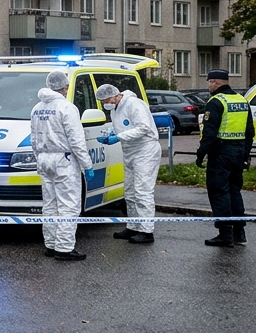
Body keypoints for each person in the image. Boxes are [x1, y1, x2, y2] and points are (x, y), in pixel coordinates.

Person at [30, 70, 94, 261]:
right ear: (65, 87)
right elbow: (76, 140)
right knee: (68, 205)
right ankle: (64, 248)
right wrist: (86, 165)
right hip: (63, 161)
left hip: (44, 158)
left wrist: (38, 159)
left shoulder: (37, 108)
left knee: (50, 205)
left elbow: (34, 138)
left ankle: (50, 245)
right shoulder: (67, 108)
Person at [195, 68, 255, 247]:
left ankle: (225, 234)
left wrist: (201, 155)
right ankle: (239, 232)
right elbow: (250, 131)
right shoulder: (241, 100)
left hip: (220, 153)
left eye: (209, 82)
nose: (208, 86)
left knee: (219, 191)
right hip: (237, 153)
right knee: (234, 191)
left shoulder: (216, 101)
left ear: (214, 82)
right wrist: (245, 154)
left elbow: (209, 133)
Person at [96, 83, 160, 244]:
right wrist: (114, 133)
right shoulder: (115, 108)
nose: (105, 104)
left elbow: (144, 128)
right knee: (130, 192)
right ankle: (133, 226)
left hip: (145, 149)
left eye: (106, 100)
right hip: (130, 151)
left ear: (116, 95)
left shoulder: (134, 104)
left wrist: (119, 136)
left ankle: (146, 230)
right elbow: (122, 127)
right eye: (103, 101)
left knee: (143, 191)